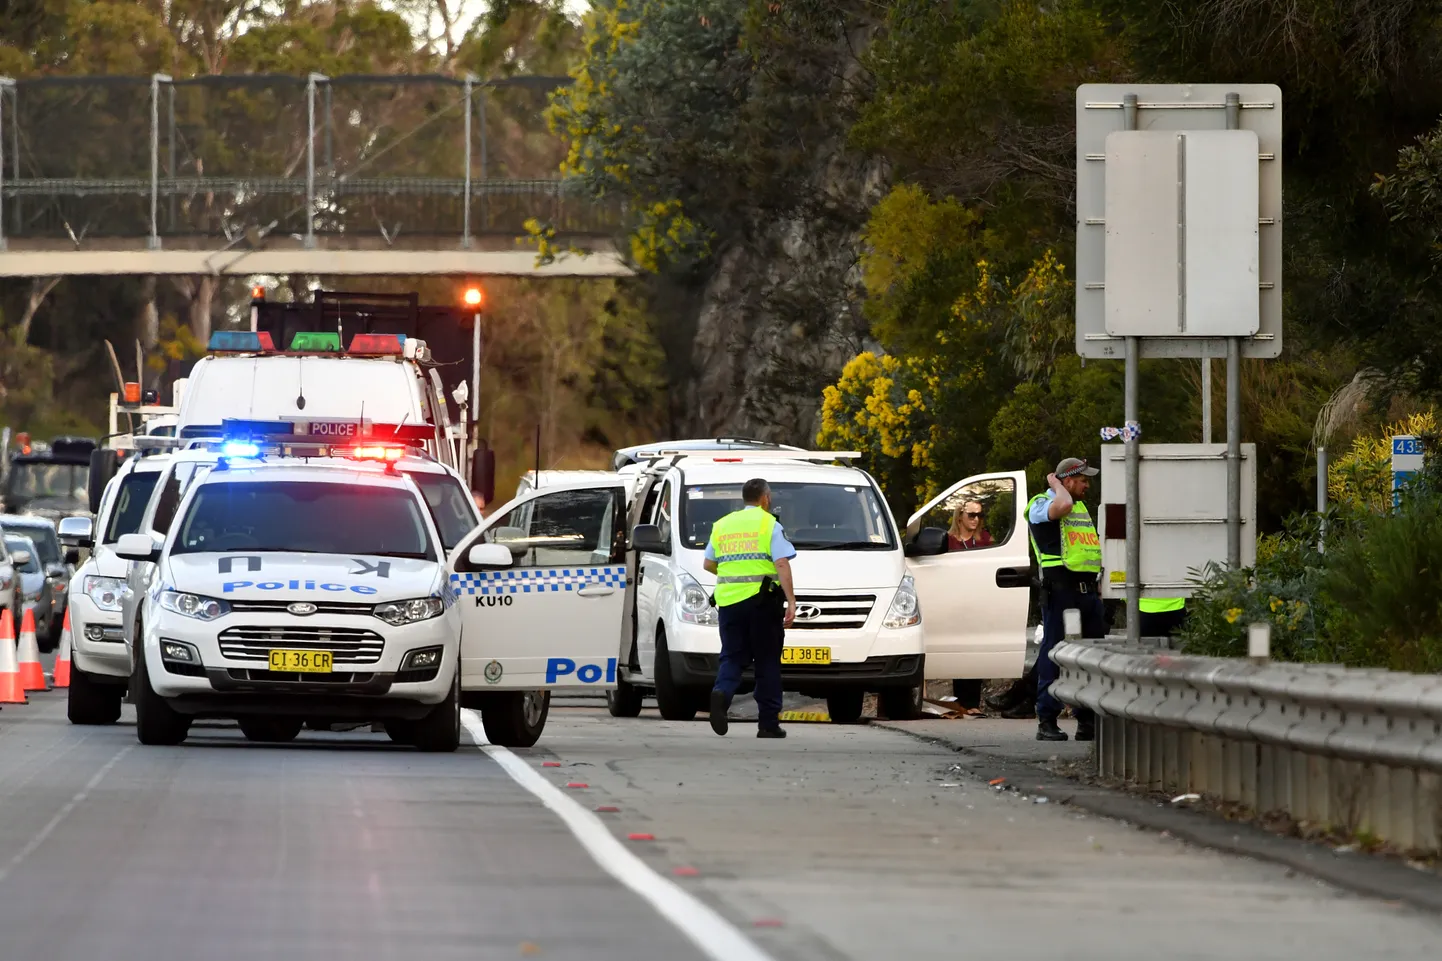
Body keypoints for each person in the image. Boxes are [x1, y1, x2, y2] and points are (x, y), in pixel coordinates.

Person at [703, 478, 798, 739]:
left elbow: (708, 563)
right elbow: (781, 563)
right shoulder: (769, 524)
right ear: (765, 498)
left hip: (729, 603)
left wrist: (733, 575)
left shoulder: (723, 524)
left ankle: (721, 693)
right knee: (767, 661)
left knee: (732, 656)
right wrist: (791, 600)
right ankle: (768, 724)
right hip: (762, 603)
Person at [1027, 457, 1106, 742]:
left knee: (1091, 657)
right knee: (1054, 654)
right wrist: (1055, 485)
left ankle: (1087, 719)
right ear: (1067, 480)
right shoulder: (1041, 504)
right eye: (1082, 480)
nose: (1087, 485)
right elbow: (1062, 507)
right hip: (1060, 591)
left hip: (1087, 592)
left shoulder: (1080, 507)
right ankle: (1047, 719)